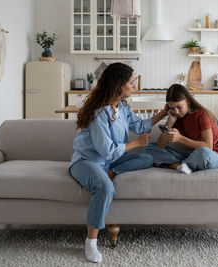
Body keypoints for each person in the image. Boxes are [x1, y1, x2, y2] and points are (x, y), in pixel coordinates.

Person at [69, 62, 168, 263]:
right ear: (119, 85)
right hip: (88, 162)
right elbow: (107, 150)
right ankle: (91, 242)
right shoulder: (99, 113)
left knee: (148, 156)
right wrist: (134, 144)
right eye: (131, 82)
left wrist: (163, 113)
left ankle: (113, 171)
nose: (134, 86)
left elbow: (140, 125)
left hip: (109, 162)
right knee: (104, 188)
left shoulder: (121, 106)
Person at [146, 84, 218, 174]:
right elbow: (160, 146)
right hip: (192, 155)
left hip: (214, 156)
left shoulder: (202, 114)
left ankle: (180, 165)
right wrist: (170, 120)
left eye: (179, 107)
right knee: (150, 148)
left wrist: (180, 138)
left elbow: (208, 147)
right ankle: (179, 166)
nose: (176, 111)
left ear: (188, 101)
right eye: (172, 108)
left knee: (203, 152)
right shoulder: (176, 117)